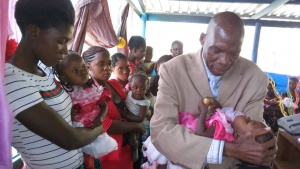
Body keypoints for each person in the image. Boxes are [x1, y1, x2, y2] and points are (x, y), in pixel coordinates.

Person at [150, 11, 277, 169]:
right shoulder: (173, 70)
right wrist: (226, 149)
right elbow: (162, 131)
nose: (224, 61)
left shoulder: (255, 78)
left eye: (234, 53)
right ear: (203, 39)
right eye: (216, 50)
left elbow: (251, 140)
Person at [4, 0, 104, 168]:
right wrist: (103, 126)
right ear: (34, 32)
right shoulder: (14, 81)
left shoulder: (43, 72)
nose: (65, 50)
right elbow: (70, 139)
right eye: (60, 41)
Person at [143, 97, 274, 169]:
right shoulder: (228, 125)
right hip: (184, 144)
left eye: (248, 121)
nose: (244, 116)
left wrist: (203, 111)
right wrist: (217, 106)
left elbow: (200, 134)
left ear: (238, 136)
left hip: (186, 141)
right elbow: (220, 114)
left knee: (163, 156)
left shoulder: (224, 131)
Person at [82, 46, 146, 169]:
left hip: (127, 148)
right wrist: (137, 125)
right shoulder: (89, 94)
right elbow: (107, 125)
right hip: (110, 153)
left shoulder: (114, 84)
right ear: (87, 66)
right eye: (101, 64)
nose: (107, 68)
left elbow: (128, 107)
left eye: (108, 63)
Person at [53, 51, 118, 168]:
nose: (82, 72)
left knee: (93, 155)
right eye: (74, 71)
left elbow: (104, 105)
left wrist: (100, 118)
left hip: (94, 127)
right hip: (77, 131)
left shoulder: (93, 88)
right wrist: (69, 112)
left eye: (83, 67)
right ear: (64, 77)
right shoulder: (63, 93)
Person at [124, 73, 150, 162]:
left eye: (142, 88)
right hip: (127, 120)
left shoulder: (144, 102)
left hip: (135, 123)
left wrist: (125, 115)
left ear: (146, 89)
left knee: (132, 139)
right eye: (135, 87)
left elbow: (140, 119)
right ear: (130, 85)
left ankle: (135, 149)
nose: (138, 90)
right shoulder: (129, 93)